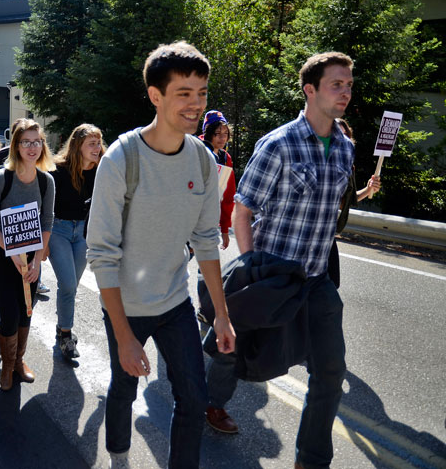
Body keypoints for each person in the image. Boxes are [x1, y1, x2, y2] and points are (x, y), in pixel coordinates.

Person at [86, 41, 235, 469]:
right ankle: (118, 455)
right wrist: (125, 336)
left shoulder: (205, 162)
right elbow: (102, 254)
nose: (195, 104)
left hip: (175, 302)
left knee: (194, 396)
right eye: (183, 93)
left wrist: (221, 316)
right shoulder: (122, 158)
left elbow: (207, 240)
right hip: (126, 308)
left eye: (202, 92)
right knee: (124, 386)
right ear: (156, 96)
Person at [232, 52, 356, 469]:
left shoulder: (345, 148)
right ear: (310, 89)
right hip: (273, 276)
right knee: (236, 356)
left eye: (349, 84)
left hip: (317, 281)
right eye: (336, 84)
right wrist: (251, 266)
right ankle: (199, 405)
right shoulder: (279, 143)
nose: (345, 92)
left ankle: (311, 460)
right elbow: (242, 210)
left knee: (331, 373)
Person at [0, 119, 55, 391]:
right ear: (16, 145)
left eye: (37, 141)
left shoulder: (46, 181)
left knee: (26, 311)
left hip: (31, 257)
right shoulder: (2, 178)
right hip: (0, 255)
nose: (32, 147)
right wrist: (11, 251)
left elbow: (47, 221)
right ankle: (7, 365)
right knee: (9, 314)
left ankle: (19, 361)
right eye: (26, 142)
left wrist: (37, 259)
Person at [46, 123, 104, 360]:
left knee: (71, 286)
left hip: (82, 233)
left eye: (99, 143)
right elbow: (43, 206)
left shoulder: (102, 170)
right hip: (57, 230)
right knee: (68, 284)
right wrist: (42, 242)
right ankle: (65, 334)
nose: (97, 148)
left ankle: (62, 326)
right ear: (77, 146)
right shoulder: (57, 171)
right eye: (91, 143)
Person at [327, 118, 381, 287]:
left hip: (328, 233)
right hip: (307, 234)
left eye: (345, 135)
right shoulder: (318, 159)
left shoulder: (348, 166)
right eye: (337, 134)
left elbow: (346, 201)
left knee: (331, 284)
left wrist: (368, 188)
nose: (342, 139)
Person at [200, 111, 237, 250]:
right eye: (217, 134)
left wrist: (225, 229)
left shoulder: (225, 158)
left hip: (210, 221)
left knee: (207, 263)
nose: (222, 138)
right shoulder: (195, 150)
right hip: (189, 220)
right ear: (208, 133)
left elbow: (228, 195)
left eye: (225, 134)